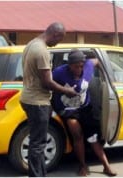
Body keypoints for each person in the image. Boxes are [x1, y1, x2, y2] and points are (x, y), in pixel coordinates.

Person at [20, 22, 78, 177]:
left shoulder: (31, 44)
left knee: (36, 141)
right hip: (37, 101)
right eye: (60, 39)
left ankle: (40, 174)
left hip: (29, 98)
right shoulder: (42, 51)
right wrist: (67, 91)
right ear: (55, 34)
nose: (58, 43)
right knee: (38, 144)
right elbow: (47, 82)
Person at [51, 49, 117, 177]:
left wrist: (106, 75)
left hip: (85, 108)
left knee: (92, 138)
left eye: (81, 66)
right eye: (76, 66)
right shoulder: (59, 72)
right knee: (77, 134)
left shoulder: (87, 65)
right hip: (68, 110)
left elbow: (96, 60)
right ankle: (82, 166)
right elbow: (46, 83)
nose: (79, 69)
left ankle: (106, 166)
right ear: (69, 65)